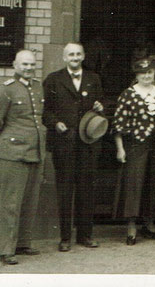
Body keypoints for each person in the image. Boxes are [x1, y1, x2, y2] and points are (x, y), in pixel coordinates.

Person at [0, 50, 46, 265]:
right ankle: (6, 249)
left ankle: (23, 243)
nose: (28, 68)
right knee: (10, 202)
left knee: (30, 200)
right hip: (13, 153)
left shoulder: (37, 86)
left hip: (35, 151)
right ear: (15, 65)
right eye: (24, 64)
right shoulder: (6, 89)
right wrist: (1, 144)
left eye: (31, 64)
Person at [43, 42, 105, 252]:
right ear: (64, 57)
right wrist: (55, 123)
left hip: (87, 145)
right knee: (65, 191)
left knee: (86, 191)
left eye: (78, 54)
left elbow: (100, 107)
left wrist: (100, 107)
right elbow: (45, 111)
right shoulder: (53, 79)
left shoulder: (93, 78)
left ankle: (85, 235)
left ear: (83, 56)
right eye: (71, 54)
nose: (75, 57)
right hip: (64, 144)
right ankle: (65, 237)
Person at [112, 57, 155, 245]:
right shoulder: (128, 95)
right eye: (143, 73)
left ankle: (150, 225)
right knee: (134, 185)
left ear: (154, 73)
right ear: (137, 75)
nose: (147, 76)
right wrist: (120, 149)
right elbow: (118, 124)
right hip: (135, 147)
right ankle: (131, 228)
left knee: (153, 185)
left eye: (150, 72)